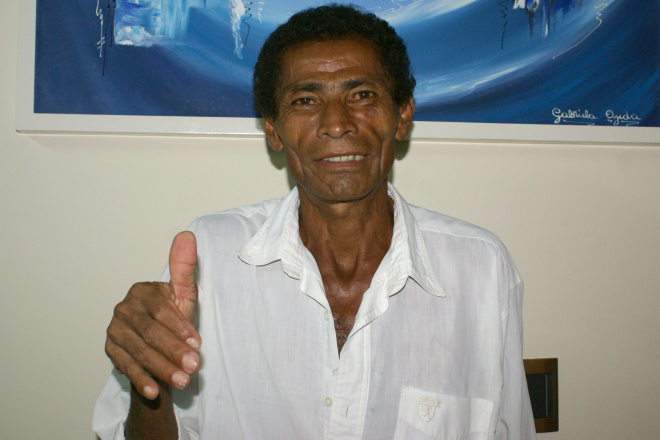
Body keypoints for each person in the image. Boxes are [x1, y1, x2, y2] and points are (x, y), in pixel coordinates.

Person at [94, 4, 536, 439]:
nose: (337, 124)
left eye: (361, 95)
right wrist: (146, 384)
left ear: (403, 114)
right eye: (306, 100)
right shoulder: (208, 256)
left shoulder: (481, 269)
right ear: (272, 129)